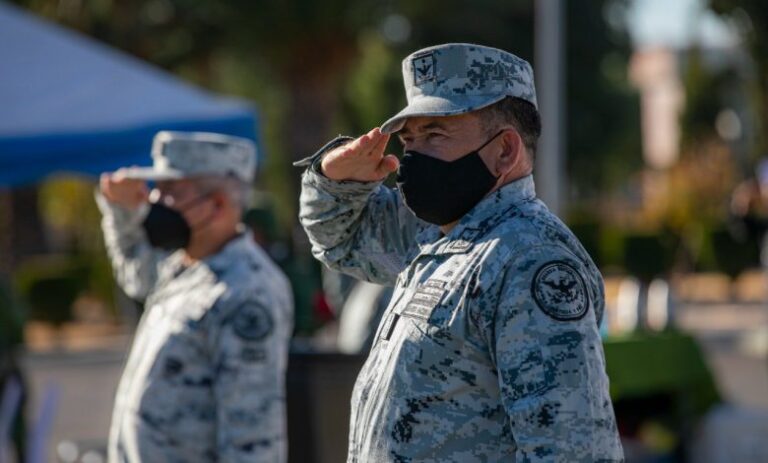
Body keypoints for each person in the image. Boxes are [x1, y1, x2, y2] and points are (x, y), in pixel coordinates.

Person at [297, 43, 624, 461]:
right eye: (409, 138)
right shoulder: (439, 234)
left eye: (435, 134)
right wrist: (332, 179)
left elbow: (573, 452)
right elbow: (342, 242)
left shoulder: (530, 260)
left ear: (505, 150)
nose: (411, 157)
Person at [97, 131, 293, 462]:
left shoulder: (246, 291)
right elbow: (135, 272)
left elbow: (252, 438)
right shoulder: (183, 265)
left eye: (170, 191)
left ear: (217, 205)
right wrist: (120, 211)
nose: (155, 202)